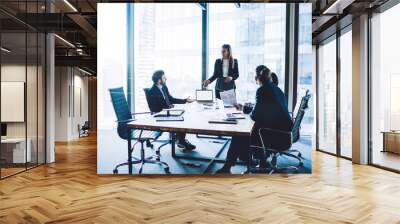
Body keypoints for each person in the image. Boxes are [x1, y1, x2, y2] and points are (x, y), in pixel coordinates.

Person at [216, 65, 293, 174]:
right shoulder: (275, 88)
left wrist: (246, 111)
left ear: (257, 78)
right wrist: (248, 109)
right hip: (284, 133)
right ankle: (254, 160)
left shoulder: (262, 90)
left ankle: (227, 167)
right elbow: (266, 110)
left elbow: (255, 116)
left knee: (240, 133)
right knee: (247, 130)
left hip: (276, 135)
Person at [147, 70, 196, 150]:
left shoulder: (164, 87)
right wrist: (167, 107)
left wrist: (185, 100)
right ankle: (180, 140)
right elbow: (153, 108)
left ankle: (180, 139)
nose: (166, 78)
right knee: (180, 120)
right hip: (159, 116)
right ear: (159, 80)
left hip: (167, 112)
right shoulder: (151, 91)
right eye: (164, 77)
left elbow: (171, 99)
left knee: (183, 116)